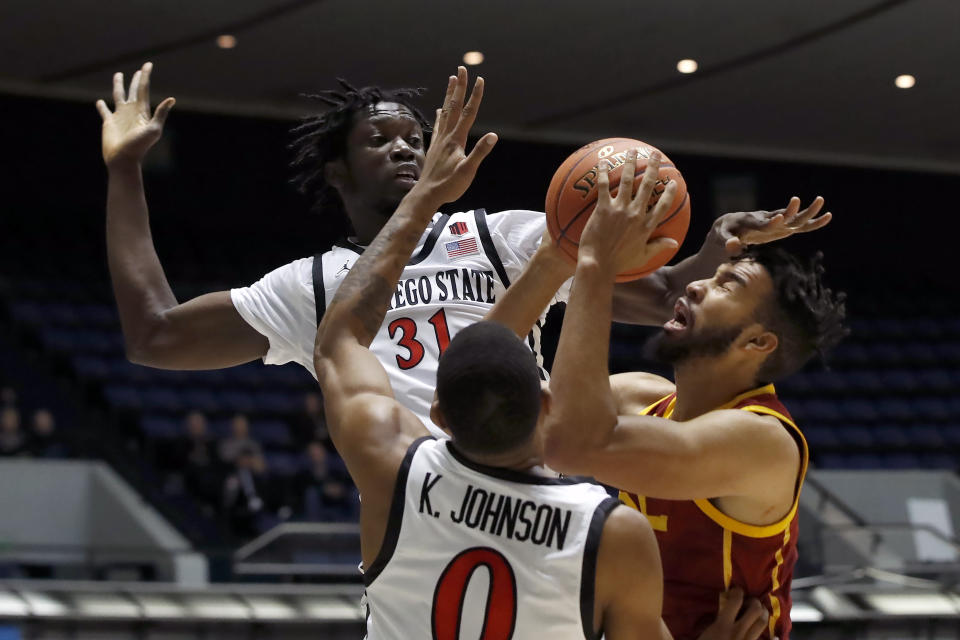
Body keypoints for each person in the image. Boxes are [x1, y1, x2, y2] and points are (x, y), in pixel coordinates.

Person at [96, 62, 830, 435]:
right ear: (337, 171)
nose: (405, 149)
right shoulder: (312, 287)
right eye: (378, 141)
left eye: (415, 138)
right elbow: (154, 335)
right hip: (414, 500)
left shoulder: (501, 235)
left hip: (535, 481)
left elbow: (662, 296)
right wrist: (125, 169)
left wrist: (711, 247)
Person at [312, 71, 765, 640]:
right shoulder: (608, 530)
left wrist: (429, 192)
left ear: (441, 414)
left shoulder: (391, 472)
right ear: (547, 405)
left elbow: (340, 340)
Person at [537, 151, 847, 639]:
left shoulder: (760, 440)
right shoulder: (641, 396)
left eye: (728, 283)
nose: (699, 283)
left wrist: (594, 261)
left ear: (757, 343)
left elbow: (573, 444)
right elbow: (488, 420)